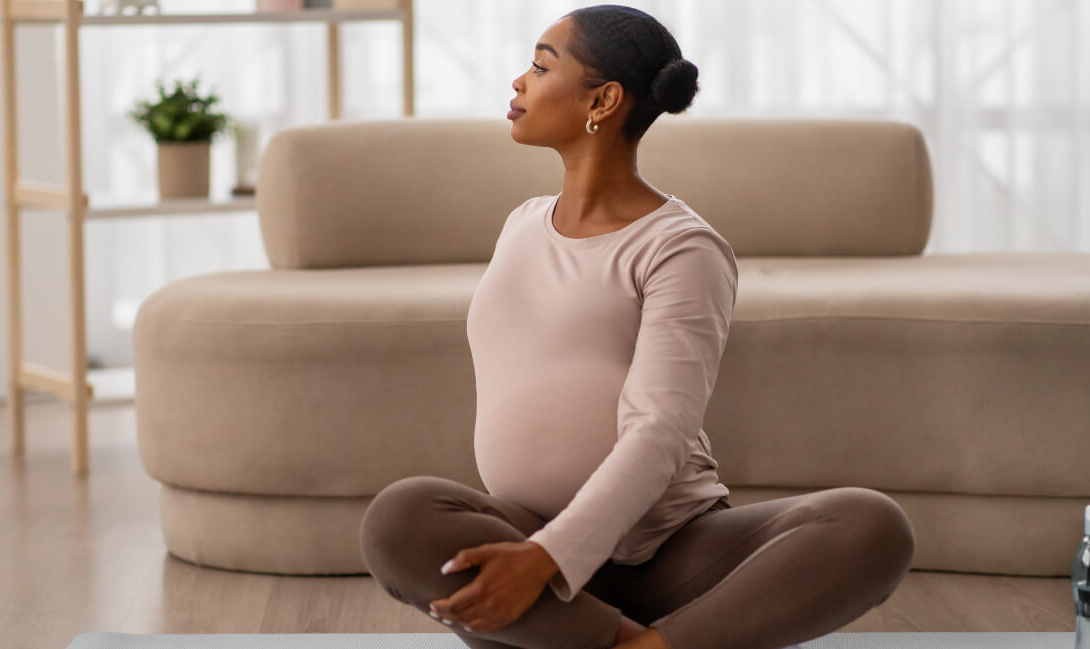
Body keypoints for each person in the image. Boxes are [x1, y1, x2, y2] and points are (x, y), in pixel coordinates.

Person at [358, 5, 916, 649]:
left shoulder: (680, 246)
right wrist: (535, 556)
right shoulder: (521, 224)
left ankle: (614, 642)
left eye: (540, 66)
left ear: (604, 99)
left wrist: (549, 561)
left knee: (871, 525)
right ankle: (634, 641)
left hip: (671, 556)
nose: (517, 82)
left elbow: (661, 429)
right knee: (399, 516)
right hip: (528, 545)